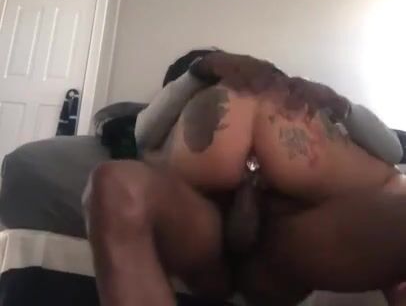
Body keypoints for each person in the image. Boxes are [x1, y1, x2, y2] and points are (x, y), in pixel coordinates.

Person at [84, 50, 406, 306]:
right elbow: (142, 133)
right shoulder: (171, 114)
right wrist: (198, 72)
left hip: (293, 241)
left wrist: (340, 105)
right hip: (205, 234)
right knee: (114, 185)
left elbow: (392, 151)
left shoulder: (305, 103)